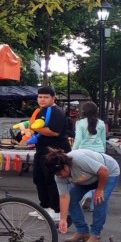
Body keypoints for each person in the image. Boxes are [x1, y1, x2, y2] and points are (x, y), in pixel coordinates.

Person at [45, 147, 120, 242]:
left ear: (66, 166)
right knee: (71, 200)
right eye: (56, 174)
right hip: (85, 179)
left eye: (60, 173)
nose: (59, 176)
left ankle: (95, 234)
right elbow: (64, 197)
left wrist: (100, 189)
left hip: (108, 173)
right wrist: (63, 219)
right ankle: (82, 231)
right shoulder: (59, 177)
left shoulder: (78, 159)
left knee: (99, 201)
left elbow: (103, 171)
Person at [31, 85, 69, 219]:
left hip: (55, 151)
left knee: (51, 180)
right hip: (41, 150)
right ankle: (44, 207)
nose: (42, 99)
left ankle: (56, 210)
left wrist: (33, 128)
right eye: (40, 97)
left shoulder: (56, 112)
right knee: (38, 178)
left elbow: (53, 131)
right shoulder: (41, 111)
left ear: (53, 98)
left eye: (46, 97)